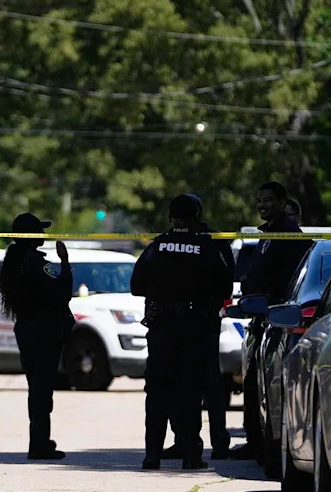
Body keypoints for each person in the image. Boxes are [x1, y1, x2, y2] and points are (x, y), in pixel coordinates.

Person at [131, 194, 235, 470]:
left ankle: (152, 454)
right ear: (198, 216)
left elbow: (136, 285)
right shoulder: (208, 245)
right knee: (190, 390)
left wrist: (161, 292)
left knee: (157, 392)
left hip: (162, 326)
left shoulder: (158, 245)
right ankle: (191, 456)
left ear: (171, 218)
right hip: (195, 327)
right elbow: (225, 287)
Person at [233, 181, 312, 460]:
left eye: (267, 200)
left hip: (279, 320)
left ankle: (267, 446)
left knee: (270, 388)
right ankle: (255, 443)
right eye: (259, 200)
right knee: (254, 385)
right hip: (262, 319)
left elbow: (286, 279)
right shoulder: (270, 234)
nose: (262, 205)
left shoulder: (289, 235)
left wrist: (257, 288)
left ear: (281, 202)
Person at [0, 212, 73, 460]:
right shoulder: (37, 264)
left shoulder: (14, 262)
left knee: (36, 386)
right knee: (42, 389)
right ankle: (39, 443)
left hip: (26, 328)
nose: (43, 234)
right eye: (39, 231)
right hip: (45, 330)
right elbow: (62, 292)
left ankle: (39, 440)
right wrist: (65, 262)